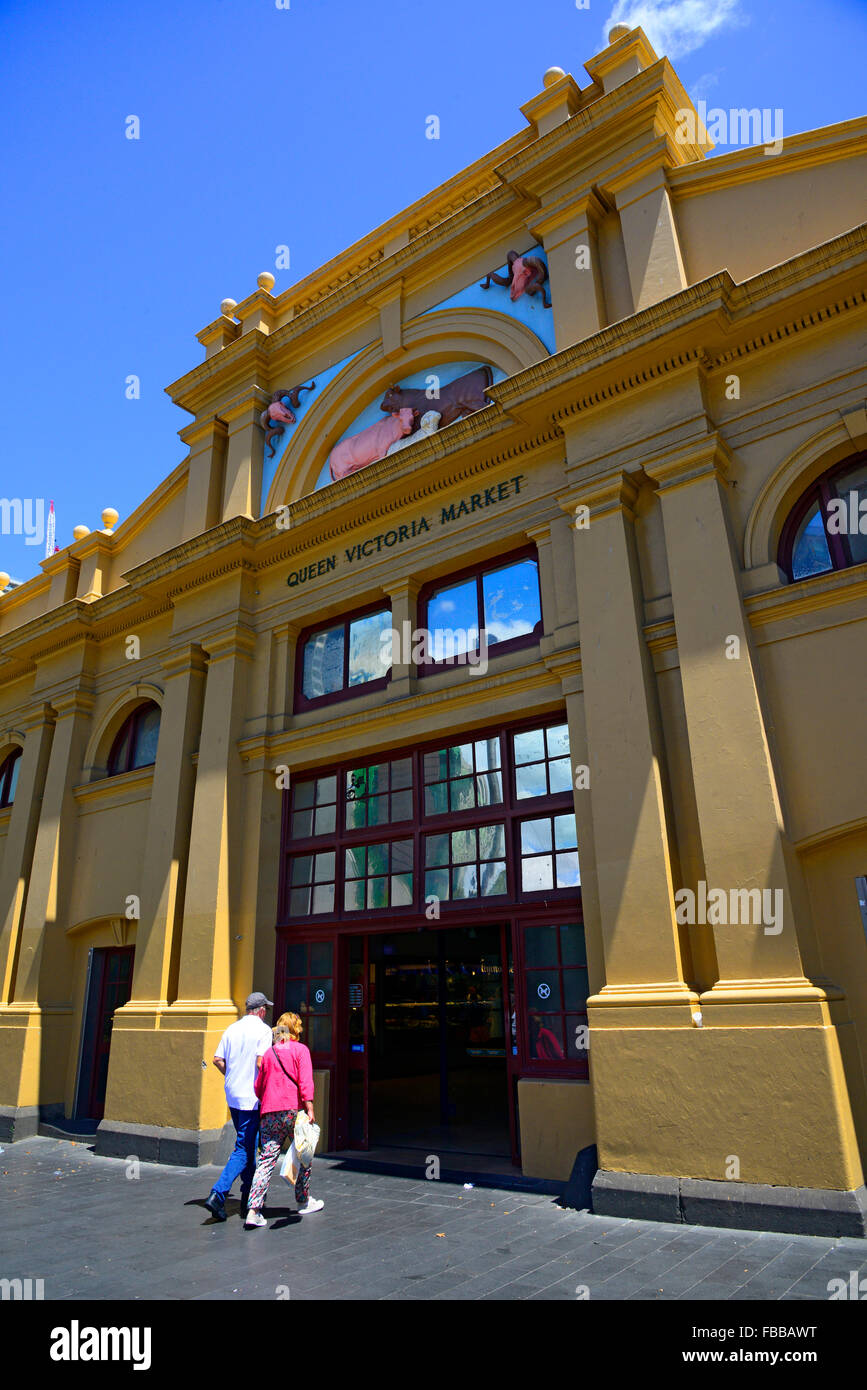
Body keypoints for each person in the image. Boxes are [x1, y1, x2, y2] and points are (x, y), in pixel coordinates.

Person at [244, 1012, 323, 1228]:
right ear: (296, 1029)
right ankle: (303, 1200)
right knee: (304, 1154)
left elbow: (258, 1086)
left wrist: (267, 1101)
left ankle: (254, 1209)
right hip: (294, 1110)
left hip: (270, 1112)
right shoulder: (300, 1050)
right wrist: (309, 1107)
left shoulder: (269, 1053)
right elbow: (305, 1080)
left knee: (266, 1160)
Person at [204, 991, 274, 1221]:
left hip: (233, 1095)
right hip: (251, 1098)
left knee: (248, 1145)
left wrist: (231, 1075)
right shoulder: (263, 1030)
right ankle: (219, 1193)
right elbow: (260, 1062)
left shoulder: (232, 1028)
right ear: (261, 1010)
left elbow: (217, 1059)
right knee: (244, 1148)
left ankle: (248, 1197)